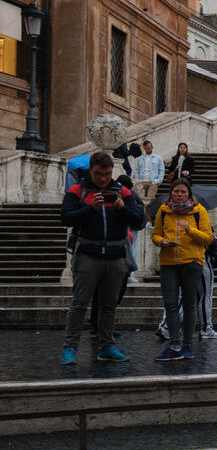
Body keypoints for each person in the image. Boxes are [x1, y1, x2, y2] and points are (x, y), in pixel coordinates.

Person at [60, 153, 146, 364]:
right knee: (79, 303)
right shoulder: (77, 190)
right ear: (90, 171)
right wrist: (90, 208)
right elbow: (66, 218)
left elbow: (139, 221)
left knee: (109, 305)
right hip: (88, 253)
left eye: (107, 174)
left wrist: (122, 209)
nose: (102, 179)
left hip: (115, 254)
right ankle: (70, 348)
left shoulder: (123, 192)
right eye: (98, 174)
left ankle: (106, 346)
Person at [150, 179, 213, 361]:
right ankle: (174, 345)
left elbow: (208, 238)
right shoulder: (163, 211)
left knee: (189, 304)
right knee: (170, 304)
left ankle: (186, 345)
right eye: (176, 191)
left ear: (189, 194)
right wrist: (162, 241)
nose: (179, 195)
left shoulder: (198, 211)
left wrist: (190, 230)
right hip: (168, 262)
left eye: (183, 192)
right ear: (171, 193)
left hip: (192, 262)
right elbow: (155, 234)